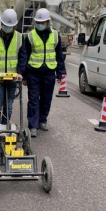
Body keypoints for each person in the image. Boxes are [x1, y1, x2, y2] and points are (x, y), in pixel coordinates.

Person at [23, 8, 66, 137]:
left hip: (49, 74)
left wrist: (60, 73)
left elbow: (59, 56)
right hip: (33, 73)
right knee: (33, 100)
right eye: (38, 22)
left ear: (48, 22)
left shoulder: (55, 35)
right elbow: (25, 56)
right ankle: (33, 125)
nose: (40, 24)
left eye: (42, 22)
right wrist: (24, 75)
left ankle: (42, 120)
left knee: (46, 99)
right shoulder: (30, 36)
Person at [0, 9, 27, 129]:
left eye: (10, 26)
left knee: (8, 106)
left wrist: (20, 72)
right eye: (6, 25)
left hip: (13, 78)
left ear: (14, 26)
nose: (8, 28)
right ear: (2, 24)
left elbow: (23, 57)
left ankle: (5, 128)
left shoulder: (19, 38)